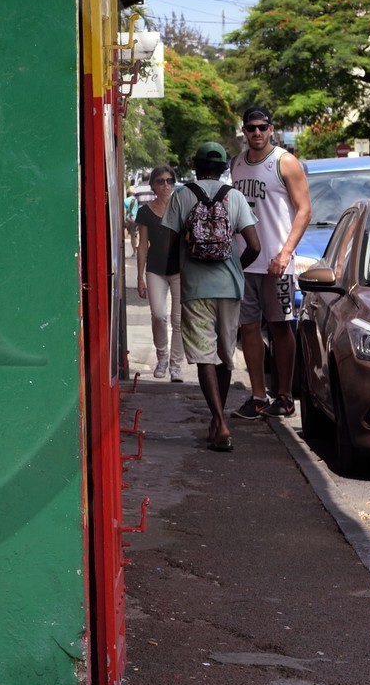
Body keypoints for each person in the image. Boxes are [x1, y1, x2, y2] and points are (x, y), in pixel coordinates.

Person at [163, 142, 260, 451]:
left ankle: (218, 421)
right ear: (223, 169)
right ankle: (218, 420)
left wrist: (175, 273)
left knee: (204, 355)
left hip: (195, 289)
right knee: (223, 353)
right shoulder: (235, 197)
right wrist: (236, 270)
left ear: (196, 165)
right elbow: (255, 247)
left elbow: (169, 244)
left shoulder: (181, 196)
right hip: (230, 288)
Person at [227, 106, 312, 420]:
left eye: (262, 127)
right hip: (245, 262)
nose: (257, 133)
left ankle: (286, 396)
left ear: (271, 129)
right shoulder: (237, 164)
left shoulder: (284, 163)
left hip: (277, 263)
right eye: (251, 128)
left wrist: (286, 253)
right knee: (248, 328)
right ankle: (258, 395)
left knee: (279, 327)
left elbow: (304, 210)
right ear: (244, 131)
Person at [132, 165, 183, 380]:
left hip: (180, 270)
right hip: (155, 269)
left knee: (179, 320)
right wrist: (140, 277)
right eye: (160, 181)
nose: (165, 185)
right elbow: (143, 245)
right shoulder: (145, 211)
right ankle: (162, 358)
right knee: (159, 316)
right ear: (152, 184)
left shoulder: (181, 208)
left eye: (169, 181)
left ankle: (176, 366)